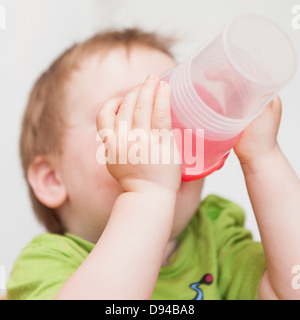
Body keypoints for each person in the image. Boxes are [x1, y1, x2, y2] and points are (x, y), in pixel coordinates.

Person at [6, 28, 300, 300]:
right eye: (130, 114)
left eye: (176, 108)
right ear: (52, 179)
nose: (167, 132)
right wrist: (146, 193)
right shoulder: (46, 263)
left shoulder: (215, 236)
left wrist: (263, 159)